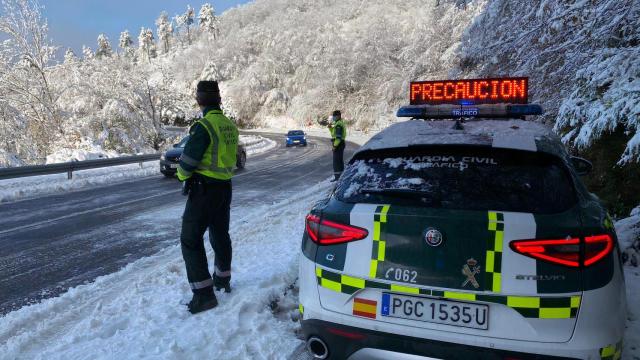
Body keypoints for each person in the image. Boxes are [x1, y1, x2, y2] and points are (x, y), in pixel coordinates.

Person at [177, 80, 239, 314]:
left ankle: (203, 295)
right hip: (225, 187)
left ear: (199, 100)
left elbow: (187, 163)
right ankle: (222, 280)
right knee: (220, 234)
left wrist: (182, 176)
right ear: (219, 100)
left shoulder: (203, 126)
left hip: (204, 190)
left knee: (190, 240)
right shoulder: (229, 125)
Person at [328, 110, 347, 181]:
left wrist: (335, 146)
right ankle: (340, 177)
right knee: (339, 160)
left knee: (337, 161)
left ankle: (338, 178)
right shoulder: (338, 123)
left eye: (334, 116)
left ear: (338, 116)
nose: (333, 117)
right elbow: (334, 134)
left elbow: (338, 137)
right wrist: (330, 128)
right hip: (340, 143)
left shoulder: (338, 124)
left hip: (338, 144)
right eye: (333, 116)